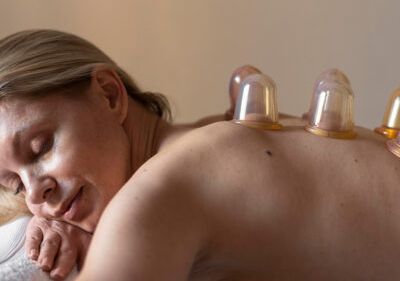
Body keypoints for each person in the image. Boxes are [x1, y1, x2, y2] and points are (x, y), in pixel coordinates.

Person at [0, 30, 399, 281]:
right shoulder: (204, 138)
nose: (35, 193)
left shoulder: (156, 196)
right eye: (15, 184)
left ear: (109, 94)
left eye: (41, 147)